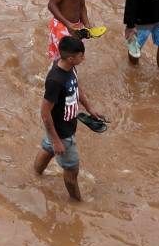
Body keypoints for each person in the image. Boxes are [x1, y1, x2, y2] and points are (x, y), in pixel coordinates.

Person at [33, 36, 106, 202]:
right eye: (81, 55)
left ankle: (35, 176)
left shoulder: (70, 67)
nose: (84, 58)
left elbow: (77, 86)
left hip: (63, 126)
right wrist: (57, 140)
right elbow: (45, 113)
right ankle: (76, 202)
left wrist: (90, 108)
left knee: (48, 148)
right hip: (62, 132)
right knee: (72, 169)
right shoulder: (55, 81)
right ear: (71, 58)